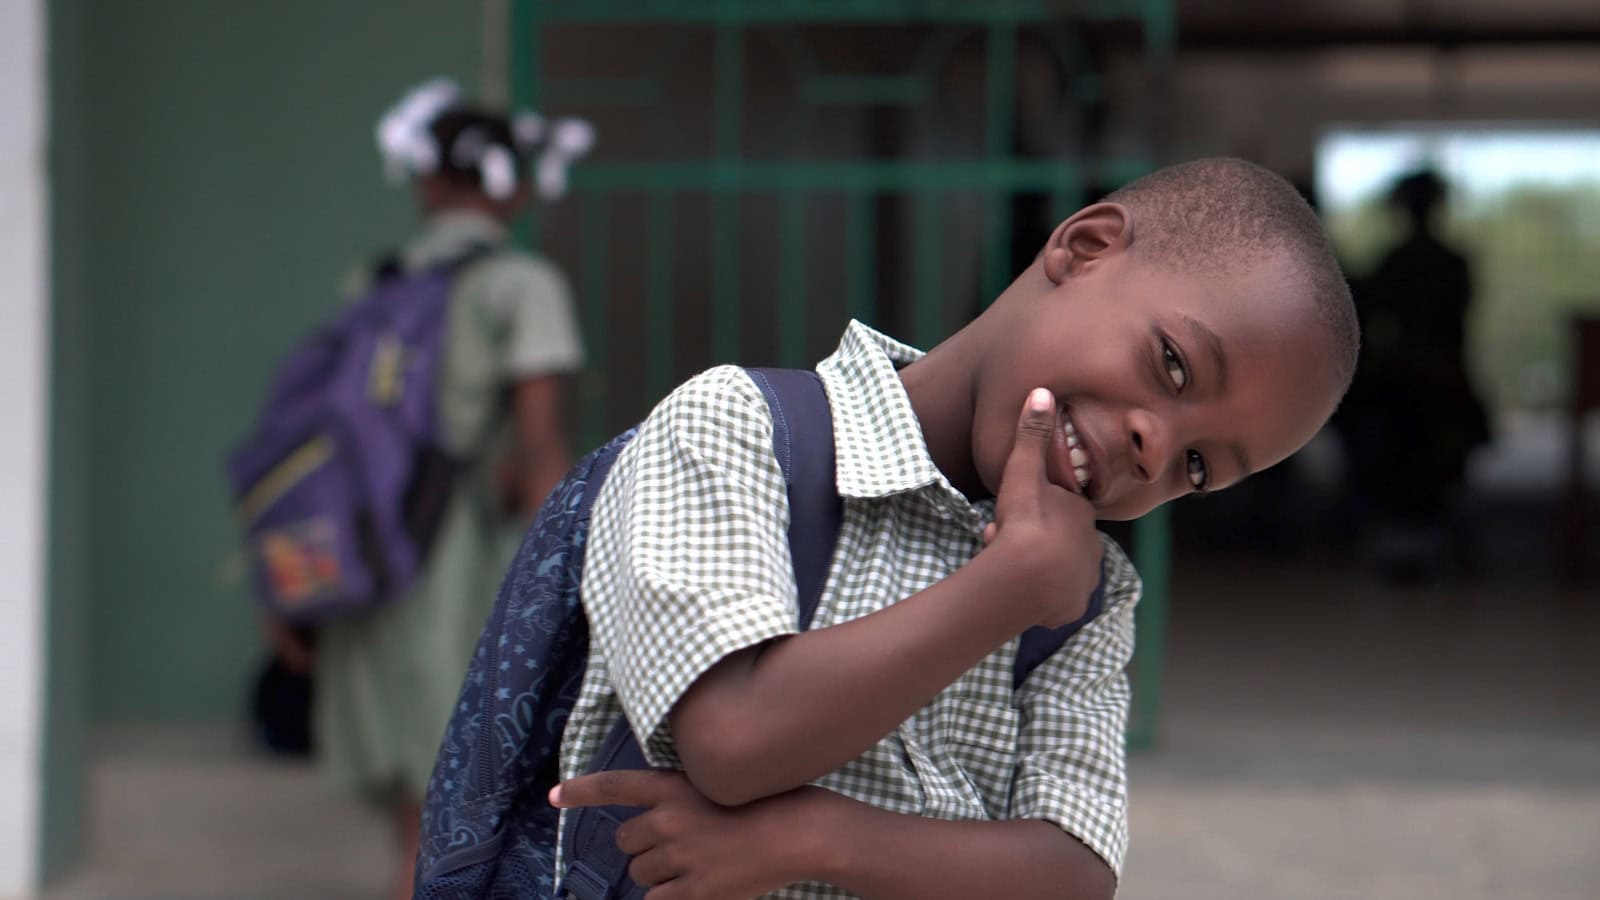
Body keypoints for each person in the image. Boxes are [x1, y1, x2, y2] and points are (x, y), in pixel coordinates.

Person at [541, 157, 1359, 898]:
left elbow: (1072, 872)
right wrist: (1007, 588)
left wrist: (810, 836)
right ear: (1085, 248)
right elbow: (735, 740)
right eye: (1174, 364)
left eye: (1199, 467)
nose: (1157, 449)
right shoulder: (741, 429)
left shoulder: (1087, 600)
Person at [263, 79, 588, 900]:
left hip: (371, 557)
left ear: (427, 182)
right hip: (467, 563)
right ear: (510, 182)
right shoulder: (523, 286)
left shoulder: (373, 284)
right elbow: (542, 440)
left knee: (412, 809)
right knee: (467, 790)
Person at [1339, 169, 1488, 578]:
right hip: (1419, 385)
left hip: (1420, 386)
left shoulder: (1409, 263)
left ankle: (1414, 538)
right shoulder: (1443, 263)